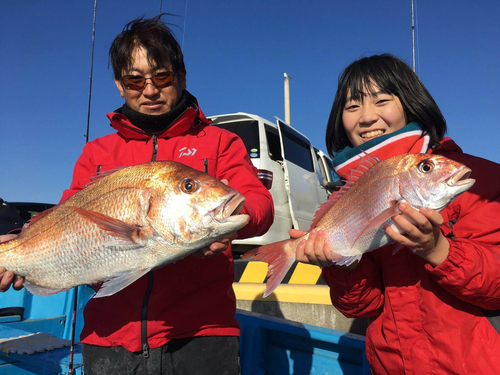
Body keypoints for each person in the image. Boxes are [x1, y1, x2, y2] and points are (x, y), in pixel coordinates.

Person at [0, 15, 274, 374]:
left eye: (162, 76)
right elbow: (63, 221)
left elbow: (257, 202)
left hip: (202, 334)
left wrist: (232, 227)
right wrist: (19, 251)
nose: (150, 90)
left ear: (181, 76)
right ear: (119, 84)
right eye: (134, 79)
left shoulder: (221, 142)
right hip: (108, 336)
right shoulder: (96, 154)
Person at [291, 54, 500, 374]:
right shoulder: (348, 196)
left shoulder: (480, 181)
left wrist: (439, 250)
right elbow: (361, 306)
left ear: (411, 104)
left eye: (382, 100)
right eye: (352, 106)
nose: (366, 117)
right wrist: (338, 265)